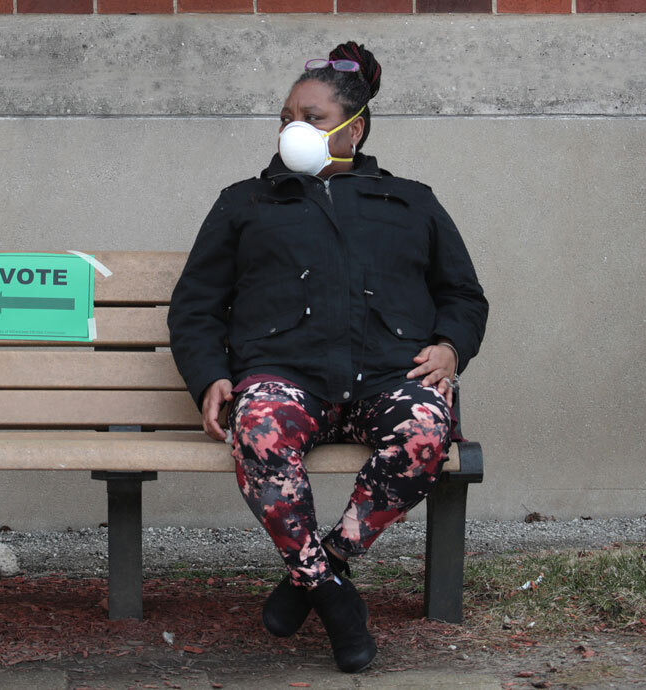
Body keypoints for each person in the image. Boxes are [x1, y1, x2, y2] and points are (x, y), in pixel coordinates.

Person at [166, 41, 488, 674]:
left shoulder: (412, 200)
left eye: (311, 117)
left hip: (389, 378)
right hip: (287, 379)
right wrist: (209, 376)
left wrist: (450, 348)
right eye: (286, 116)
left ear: (353, 126)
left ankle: (314, 575)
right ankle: (338, 604)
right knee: (258, 431)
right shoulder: (246, 201)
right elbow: (196, 305)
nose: (294, 129)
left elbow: (463, 295)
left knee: (427, 432)